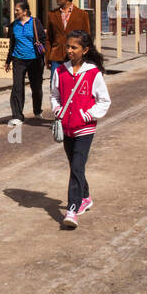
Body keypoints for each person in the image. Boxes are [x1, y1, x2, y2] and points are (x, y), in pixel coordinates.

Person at [51, 29, 111, 229]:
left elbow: (104, 101)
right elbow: (54, 95)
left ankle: (72, 210)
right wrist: (58, 110)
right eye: (68, 46)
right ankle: (85, 196)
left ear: (85, 50)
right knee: (75, 166)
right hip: (67, 128)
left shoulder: (93, 73)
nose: (69, 50)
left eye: (74, 47)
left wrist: (87, 115)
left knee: (77, 166)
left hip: (85, 129)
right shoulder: (60, 71)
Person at [5, 0, 47, 125]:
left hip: (35, 60)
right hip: (18, 60)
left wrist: (45, 57)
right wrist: (8, 60)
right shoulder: (13, 25)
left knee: (36, 87)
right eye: (15, 10)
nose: (15, 12)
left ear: (25, 11)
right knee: (17, 87)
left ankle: (37, 110)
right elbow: (12, 44)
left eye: (17, 10)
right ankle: (17, 115)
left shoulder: (35, 22)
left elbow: (43, 40)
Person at [46, 0, 91, 78]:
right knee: (55, 87)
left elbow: (87, 38)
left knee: (73, 85)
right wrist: (48, 58)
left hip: (75, 57)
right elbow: (49, 38)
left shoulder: (82, 15)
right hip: (56, 57)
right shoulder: (52, 14)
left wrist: (87, 58)